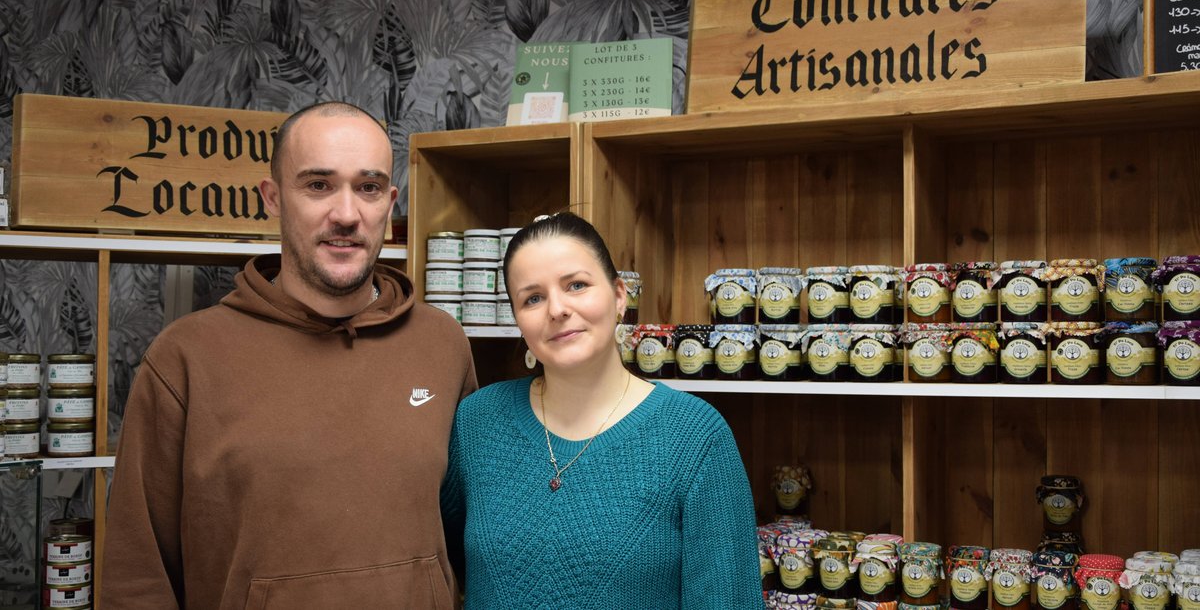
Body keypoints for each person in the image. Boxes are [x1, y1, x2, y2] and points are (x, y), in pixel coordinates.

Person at [103, 102, 476, 609]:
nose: (346, 214)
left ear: (389, 204)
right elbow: (136, 579)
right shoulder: (186, 358)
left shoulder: (442, 345)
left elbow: (476, 541)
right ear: (273, 198)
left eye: (368, 187)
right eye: (318, 185)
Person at [441, 212, 761, 609]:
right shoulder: (477, 422)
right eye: (533, 298)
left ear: (619, 295)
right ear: (518, 320)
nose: (557, 309)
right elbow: (439, 566)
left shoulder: (695, 436)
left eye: (576, 285)